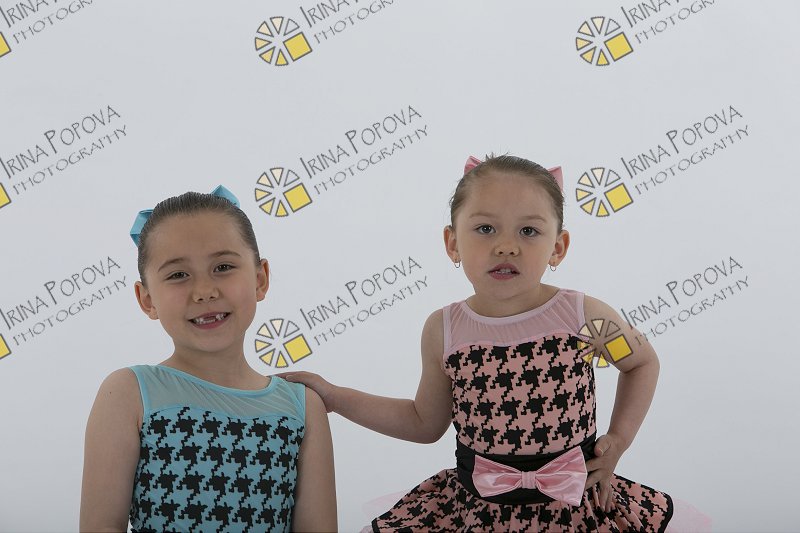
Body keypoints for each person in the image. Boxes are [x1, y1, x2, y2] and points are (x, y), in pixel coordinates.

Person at [283, 155, 674, 531]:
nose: (506, 246)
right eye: (486, 229)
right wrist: (335, 397)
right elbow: (423, 422)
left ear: (558, 247)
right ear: (452, 243)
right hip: (478, 515)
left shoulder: (585, 317)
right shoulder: (445, 330)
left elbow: (640, 363)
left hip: (577, 511)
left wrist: (618, 440)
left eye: (528, 231)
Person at [80, 187, 336, 532]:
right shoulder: (129, 393)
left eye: (223, 267)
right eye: (178, 274)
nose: (204, 291)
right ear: (147, 299)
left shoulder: (302, 407)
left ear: (260, 279)